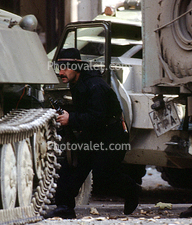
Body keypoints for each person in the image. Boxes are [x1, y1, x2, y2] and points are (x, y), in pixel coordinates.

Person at [44, 48, 140, 219]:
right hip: (93, 131)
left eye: (65, 68)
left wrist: (71, 119)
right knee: (72, 166)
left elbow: (98, 116)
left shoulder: (95, 85)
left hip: (112, 133)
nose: (61, 72)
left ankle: (131, 190)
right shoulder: (77, 82)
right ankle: (64, 207)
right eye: (59, 68)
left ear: (77, 67)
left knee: (105, 174)